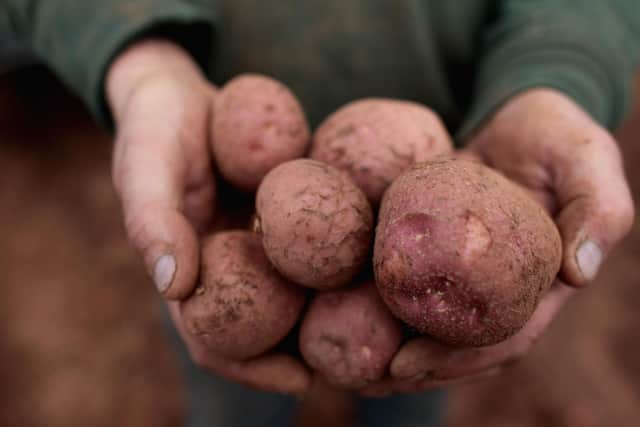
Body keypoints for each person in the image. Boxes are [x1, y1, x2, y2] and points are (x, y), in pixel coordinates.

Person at [2, 1, 638, 426]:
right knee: (233, 381)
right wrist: (141, 58)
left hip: (462, 143)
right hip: (218, 201)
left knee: (412, 380)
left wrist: (559, 68)